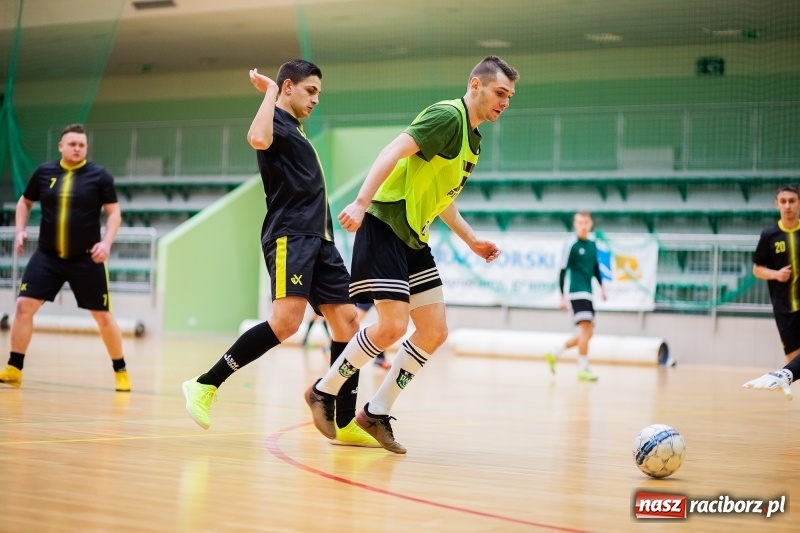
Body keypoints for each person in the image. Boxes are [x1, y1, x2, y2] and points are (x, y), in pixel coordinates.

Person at [305, 55, 518, 454]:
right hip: (385, 221)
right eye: (500, 92)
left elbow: (441, 199)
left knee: (434, 331)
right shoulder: (447, 117)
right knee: (391, 326)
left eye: (509, 96)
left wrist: (471, 240)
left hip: (413, 236)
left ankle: (376, 411)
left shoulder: (473, 137)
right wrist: (361, 202)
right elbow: (392, 150)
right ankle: (323, 390)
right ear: (476, 85)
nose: (505, 102)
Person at [181, 59, 377, 447]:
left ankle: (344, 417)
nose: (316, 99)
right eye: (310, 90)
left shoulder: (299, 132)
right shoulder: (275, 122)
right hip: (292, 235)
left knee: (348, 323)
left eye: (319, 92)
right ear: (289, 87)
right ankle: (204, 384)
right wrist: (269, 92)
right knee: (286, 323)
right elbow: (256, 138)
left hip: (321, 239)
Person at [0, 124, 130, 392]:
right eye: (72, 144)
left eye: (82, 145)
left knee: (103, 316)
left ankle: (121, 370)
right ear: (61, 146)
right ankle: (14, 368)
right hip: (47, 256)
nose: (77, 148)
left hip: (87, 258)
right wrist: (21, 230)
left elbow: (114, 213)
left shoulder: (99, 176)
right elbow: (25, 202)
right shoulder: (44, 172)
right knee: (24, 306)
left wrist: (106, 243)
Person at [546, 211, 607, 381]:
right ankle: (583, 368)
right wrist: (562, 296)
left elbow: (595, 268)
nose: (583, 226)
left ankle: (555, 351)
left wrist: (602, 288)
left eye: (586, 222)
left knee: (588, 333)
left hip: (588, 292)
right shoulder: (571, 244)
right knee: (586, 331)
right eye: (580, 222)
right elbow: (563, 270)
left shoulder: (593, 244)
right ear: (575, 225)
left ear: (591, 224)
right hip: (576, 292)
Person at [750, 184, 800, 366]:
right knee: (793, 357)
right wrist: (777, 275)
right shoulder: (769, 235)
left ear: (799, 203)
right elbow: (757, 269)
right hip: (784, 307)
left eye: (792, 201)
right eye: (783, 201)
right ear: (776, 204)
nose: (788, 206)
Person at [355, 302, 390, 369]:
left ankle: (380, 358)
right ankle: (341, 354)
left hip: (382, 293)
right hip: (368, 293)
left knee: (386, 324)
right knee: (354, 322)